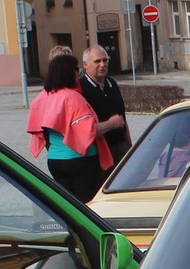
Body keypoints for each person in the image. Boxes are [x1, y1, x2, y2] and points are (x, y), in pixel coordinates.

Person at [27, 51, 103, 199]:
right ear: (69, 72)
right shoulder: (73, 98)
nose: (78, 73)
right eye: (76, 69)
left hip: (55, 159)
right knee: (86, 204)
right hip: (80, 160)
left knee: (68, 204)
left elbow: (40, 129)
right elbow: (90, 130)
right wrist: (113, 123)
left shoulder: (42, 97)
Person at [78, 44, 130, 167]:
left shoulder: (112, 83)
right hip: (98, 151)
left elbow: (122, 117)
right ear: (85, 64)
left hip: (121, 147)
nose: (102, 64)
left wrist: (129, 145)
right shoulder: (80, 88)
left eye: (105, 60)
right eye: (97, 61)